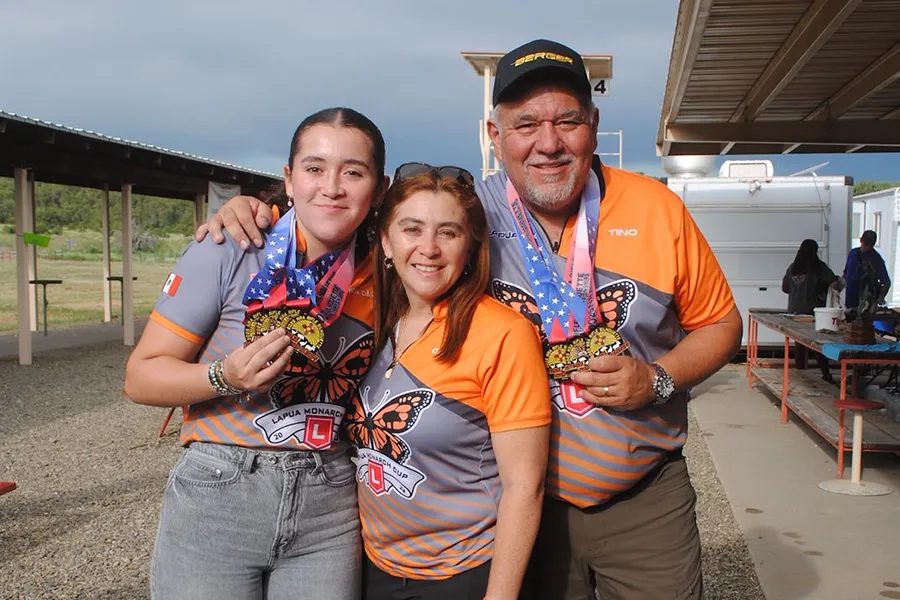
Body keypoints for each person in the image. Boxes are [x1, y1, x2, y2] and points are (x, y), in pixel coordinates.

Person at [197, 39, 743, 600]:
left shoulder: (658, 210)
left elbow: (723, 326)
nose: (548, 143)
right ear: (494, 135)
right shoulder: (471, 212)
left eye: (568, 121)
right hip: (521, 508)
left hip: (639, 498)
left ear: (595, 125)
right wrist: (262, 212)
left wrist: (656, 378)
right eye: (525, 123)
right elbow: (364, 223)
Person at [124, 107, 389, 600]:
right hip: (220, 489)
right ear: (289, 179)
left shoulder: (388, 270)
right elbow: (140, 377)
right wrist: (224, 376)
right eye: (314, 168)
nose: (331, 187)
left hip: (329, 501)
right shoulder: (231, 247)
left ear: (378, 186)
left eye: (353, 172)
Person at [353, 164, 550, 599]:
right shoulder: (372, 318)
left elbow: (524, 487)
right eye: (412, 229)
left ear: (470, 246)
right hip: (373, 569)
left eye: (448, 233)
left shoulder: (502, 334)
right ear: (385, 240)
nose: (429, 248)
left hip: (461, 575)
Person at [782, 239, 838, 383]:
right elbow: (833, 282)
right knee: (818, 344)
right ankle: (826, 374)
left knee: (799, 342)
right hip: (812, 312)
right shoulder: (819, 267)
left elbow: (785, 288)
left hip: (793, 311)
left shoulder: (793, 268)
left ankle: (800, 374)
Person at [840, 229, 891, 312]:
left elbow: (886, 282)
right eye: (866, 244)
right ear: (861, 240)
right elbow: (846, 273)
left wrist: (881, 298)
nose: (867, 247)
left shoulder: (877, 259)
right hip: (851, 299)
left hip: (867, 301)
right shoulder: (853, 253)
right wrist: (839, 286)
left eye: (870, 245)